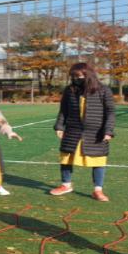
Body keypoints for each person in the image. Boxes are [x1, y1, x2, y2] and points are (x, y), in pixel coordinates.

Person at [51, 62, 115, 201]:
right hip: (72, 130)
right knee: (66, 157)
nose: (76, 79)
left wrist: (108, 131)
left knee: (98, 160)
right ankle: (66, 185)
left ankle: (98, 190)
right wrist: (59, 126)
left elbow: (110, 112)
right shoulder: (69, 90)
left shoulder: (104, 90)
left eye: (79, 76)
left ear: (88, 75)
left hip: (96, 133)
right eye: (73, 76)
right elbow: (63, 110)